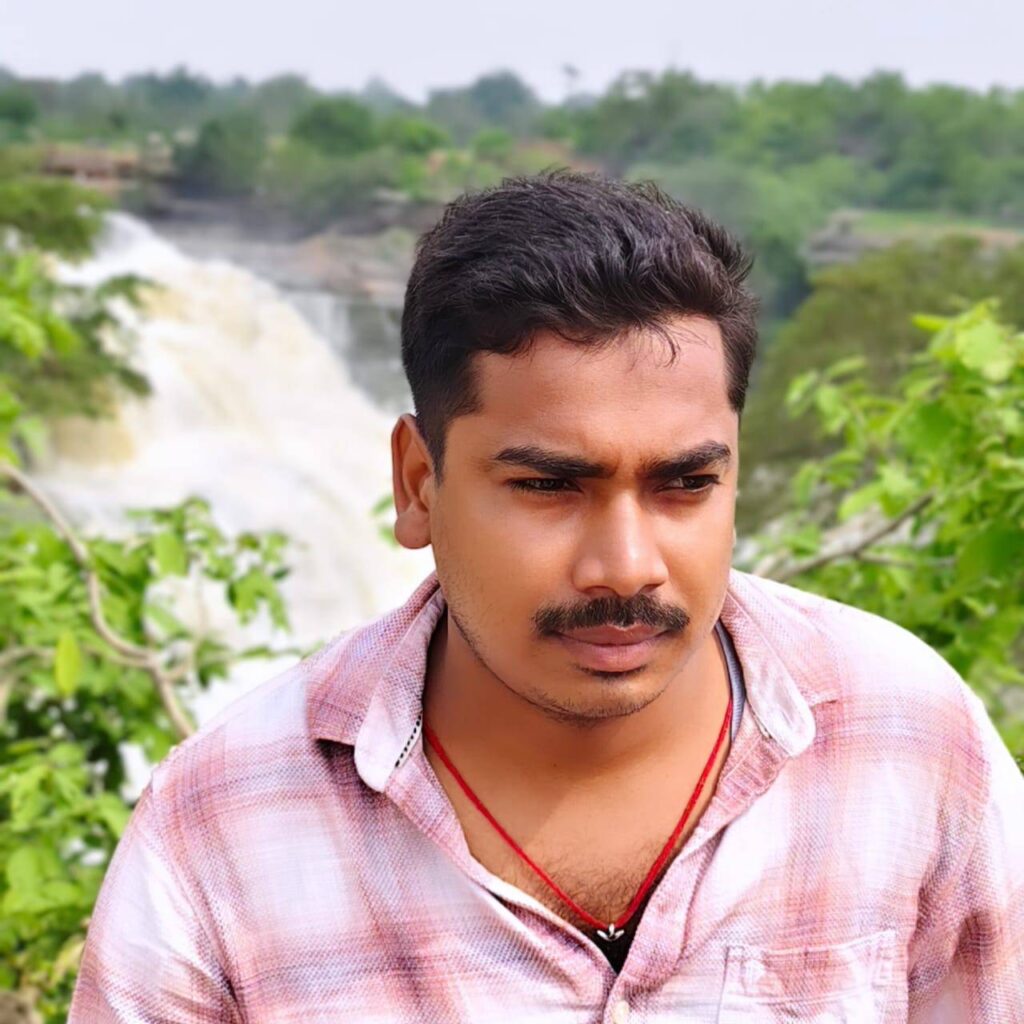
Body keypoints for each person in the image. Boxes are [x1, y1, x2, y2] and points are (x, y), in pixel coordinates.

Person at [69, 170, 1023, 1022]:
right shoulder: (221, 829)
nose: (627, 566)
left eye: (686, 484)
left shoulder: (907, 740)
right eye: (549, 486)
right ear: (418, 485)